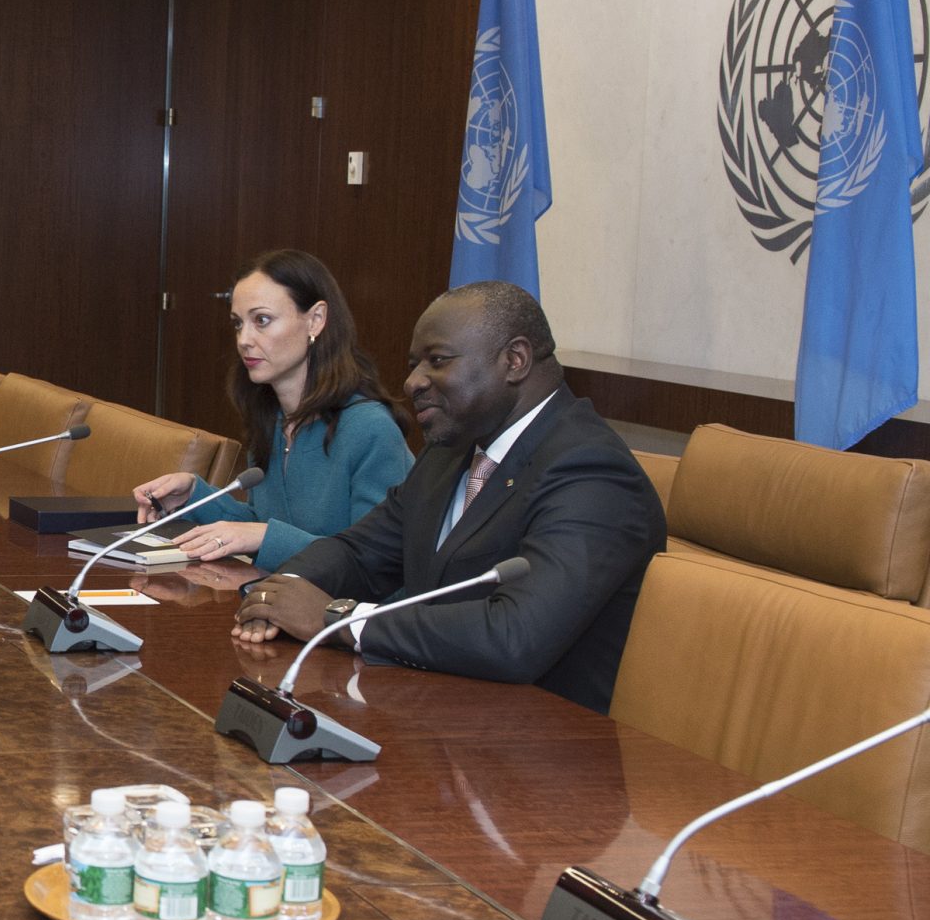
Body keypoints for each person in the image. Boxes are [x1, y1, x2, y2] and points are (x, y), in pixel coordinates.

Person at [231, 280, 665, 712]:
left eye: (437, 361)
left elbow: (515, 636)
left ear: (515, 360)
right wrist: (279, 593)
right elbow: (362, 551)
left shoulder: (591, 472)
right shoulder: (452, 451)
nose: (413, 381)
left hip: (540, 745)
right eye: (415, 363)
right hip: (433, 708)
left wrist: (338, 619)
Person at [133, 249, 412, 570]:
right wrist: (194, 498)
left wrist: (265, 537)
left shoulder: (369, 427)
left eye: (261, 320)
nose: (244, 340)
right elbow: (263, 524)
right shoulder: (272, 419)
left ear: (316, 320)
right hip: (281, 601)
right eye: (238, 323)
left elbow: (378, 561)